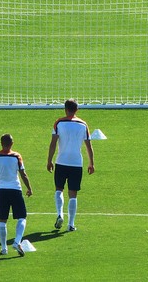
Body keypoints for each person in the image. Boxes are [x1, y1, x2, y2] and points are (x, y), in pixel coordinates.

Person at [47, 99, 95, 232]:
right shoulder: (83, 124)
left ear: (65, 109)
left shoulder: (59, 123)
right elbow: (88, 146)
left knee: (59, 189)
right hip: (76, 163)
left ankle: (59, 214)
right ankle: (71, 224)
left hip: (61, 161)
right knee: (73, 194)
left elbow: (53, 143)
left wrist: (49, 160)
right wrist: (91, 163)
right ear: (77, 110)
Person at [0, 134, 33, 256]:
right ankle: (17, 241)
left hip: (2, 191)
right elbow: (23, 173)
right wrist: (29, 188)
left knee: (2, 220)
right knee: (22, 217)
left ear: (1, 143)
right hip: (15, 189)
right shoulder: (16, 156)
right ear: (12, 143)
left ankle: (4, 248)